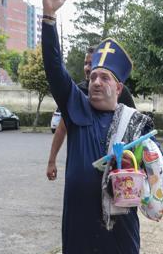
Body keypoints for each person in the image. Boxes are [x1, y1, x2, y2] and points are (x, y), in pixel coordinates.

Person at [41, 0, 162, 254]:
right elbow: (55, 69)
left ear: (119, 85)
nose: (95, 81)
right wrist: (48, 19)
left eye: (103, 77)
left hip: (120, 220)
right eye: (92, 75)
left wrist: (140, 178)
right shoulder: (75, 108)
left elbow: (158, 169)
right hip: (78, 219)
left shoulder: (137, 123)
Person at [46, 46, 135, 181]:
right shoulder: (76, 92)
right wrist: (52, 160)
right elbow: (62, 127)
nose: (87, 68)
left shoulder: (122, 94)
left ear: (118, 89)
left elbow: (132, 125)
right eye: (85, 63)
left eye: (91, 63)